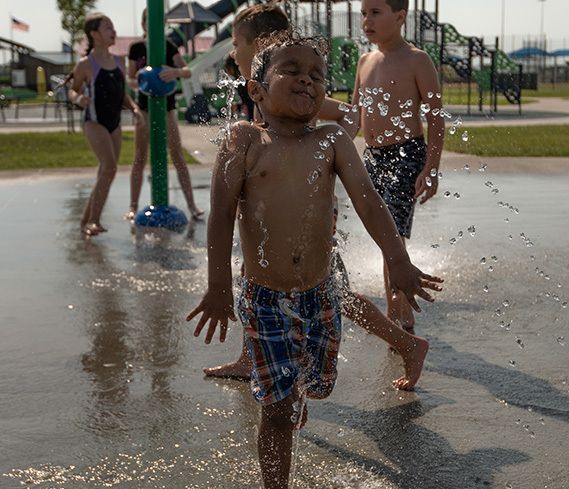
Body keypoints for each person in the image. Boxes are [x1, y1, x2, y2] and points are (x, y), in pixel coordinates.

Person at [186, 31, 443, 489]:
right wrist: (217, 286)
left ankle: (293, 395)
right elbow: (219, 218)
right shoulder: (243, 141)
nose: (307, 79)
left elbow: (371, 205)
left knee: (316, 388)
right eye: (291, 70)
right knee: (278, 412)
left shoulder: (333, 141)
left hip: (321, 294)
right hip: (266, 300)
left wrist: (397, 261)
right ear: (257, 90)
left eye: (317, 75)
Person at [205, 3, 430, 390]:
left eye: (237, 42)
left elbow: (347, 116)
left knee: (333, 291)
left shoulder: (291, 84)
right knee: (258, 279)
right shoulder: (252, 85)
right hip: (265, 215)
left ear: (261, 44)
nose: (232, 51)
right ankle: (257, 361)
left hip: (307, 215)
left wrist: (319, 169)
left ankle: (405, 343)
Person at [351, 0, 445, 333]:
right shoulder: (365, 62)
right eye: (363, 13)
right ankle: (396, 307)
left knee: (393, 236)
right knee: (383, 235)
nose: (367, 20)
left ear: (400, 17)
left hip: (405, 156)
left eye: (375, 13)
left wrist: (430, 168)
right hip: (372, 157)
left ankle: (400, 315)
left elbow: (435, 119)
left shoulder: (417, 60)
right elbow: (354, 118)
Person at [69, 13, 145, 237]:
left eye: (113, 27)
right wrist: (78, 99)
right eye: (108, 28)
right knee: (109, 167)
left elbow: (122, 95)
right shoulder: (86, 64)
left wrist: (134, 109)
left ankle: (85, 221)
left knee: (106, 171)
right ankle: (93, 220)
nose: (113, 31)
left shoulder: (119, 62)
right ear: (94, 35)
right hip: (94, 122)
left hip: (114, 124)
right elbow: (73, 89)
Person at [127, 8, 204, 221]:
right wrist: (142, 80)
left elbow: (187, 71)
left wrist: (175, 73)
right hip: (144, 107)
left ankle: (192, 205)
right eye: (150, 22)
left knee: (177, 155)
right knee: (139, 157)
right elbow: (130, 78)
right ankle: (133, 206)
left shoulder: (169, 47)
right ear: (144, 24)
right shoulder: (136, 48)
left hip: (167, 107)